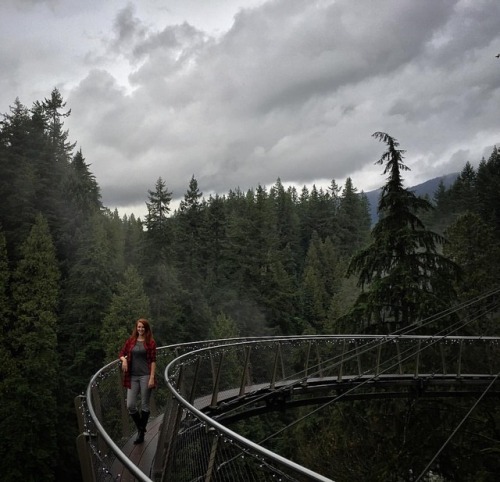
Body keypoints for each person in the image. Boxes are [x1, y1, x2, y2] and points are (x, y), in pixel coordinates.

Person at [119, 318, 157, 444]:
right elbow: (122, 353)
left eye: (143, 327)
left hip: (145, 375)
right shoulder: (131, 341)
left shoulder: (150, 342)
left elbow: (153, 361)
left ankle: (140, 434)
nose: (140, 329)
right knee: (130, 405)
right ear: (136, 328)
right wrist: (123, 360)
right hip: (132, 376)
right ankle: (141, 427)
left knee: (145, 405)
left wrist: (152, 377)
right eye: (139, 327)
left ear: (146, 329)